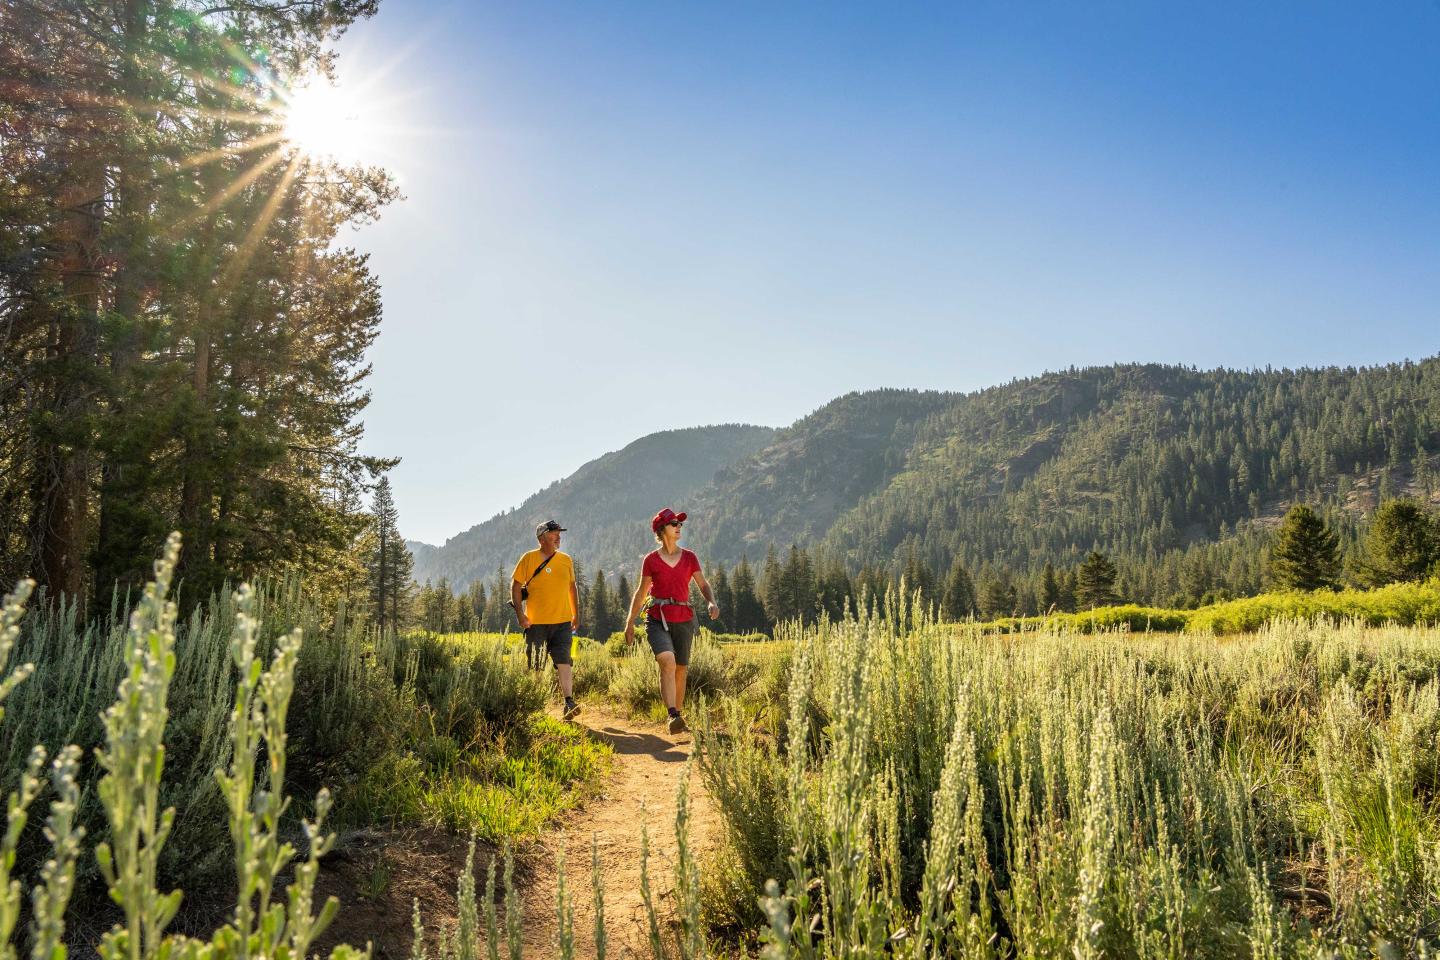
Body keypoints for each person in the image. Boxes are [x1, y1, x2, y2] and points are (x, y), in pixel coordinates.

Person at [623, 507, 719, 734]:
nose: (679, 527)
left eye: (679, 524)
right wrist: (629, 622)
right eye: (673, 523)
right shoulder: (651, 561)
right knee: (667, 661)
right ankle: (672, 714)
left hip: (684, 618)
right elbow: (641, 592)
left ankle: (678, 717)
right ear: (661, 529)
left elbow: (703, 585)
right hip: (657, 618)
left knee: (681, 669)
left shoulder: (690, 557)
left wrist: (711, 602)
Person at [512, 520, 581, 720]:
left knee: (564, 661)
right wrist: (520, 614)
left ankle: (569, 702)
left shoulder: (566, 560)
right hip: (536, 623)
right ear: (542, 538)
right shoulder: (529, 558)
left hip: (562, 622)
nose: (558, 536)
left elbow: (572, 587)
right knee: (536, 665)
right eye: (554, 533)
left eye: (559, 533)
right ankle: (535, 707)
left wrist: (576, 613)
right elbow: (516, 587)